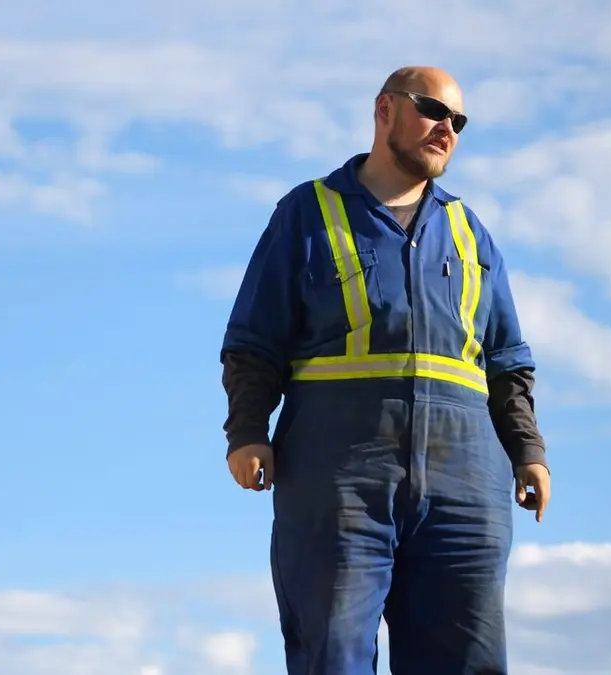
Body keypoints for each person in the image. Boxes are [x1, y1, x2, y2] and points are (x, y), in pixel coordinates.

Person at [218, 65, 551, 674]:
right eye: (433, 110)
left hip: (465, 486)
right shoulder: (308, 213)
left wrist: (527, 450)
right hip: (340, 477)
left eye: (459, 121)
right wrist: (247, 432)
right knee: (334, 655)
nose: (447, 128)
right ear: (385, 110)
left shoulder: (468, 231)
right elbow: (254, 340)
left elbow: (506, 360)